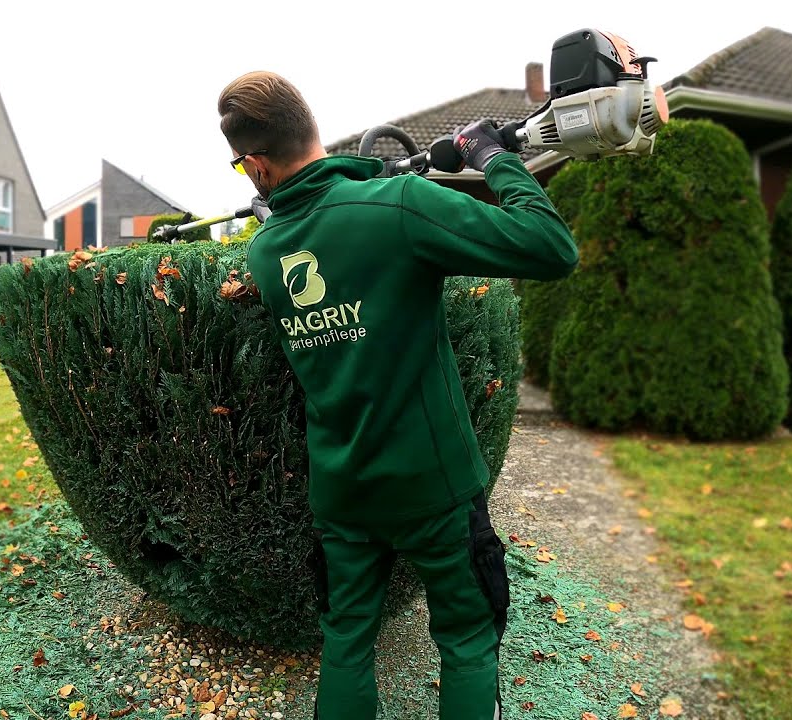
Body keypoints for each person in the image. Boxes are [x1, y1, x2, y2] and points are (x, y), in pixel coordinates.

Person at [217, 71, 578, 720]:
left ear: (260, 166)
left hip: (344, 494)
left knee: (346, 645)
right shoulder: (399, 206)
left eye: (242, 164)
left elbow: (318, 214)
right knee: (467, 640)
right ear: (312, 131)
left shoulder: (268, 252)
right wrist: (496, 159)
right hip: (433, 487)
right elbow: (551, 247)